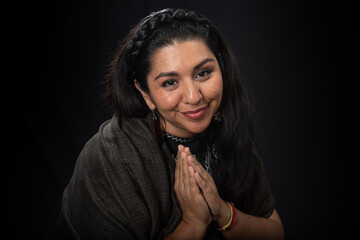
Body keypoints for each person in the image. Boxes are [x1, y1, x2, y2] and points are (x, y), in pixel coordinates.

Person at [55, 8, 284, 240]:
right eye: (170, 82)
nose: (194, 97)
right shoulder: (111, 155)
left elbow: (275, 231)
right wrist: (193, 223)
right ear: (144, 92)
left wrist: (224, 214)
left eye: (203, 73)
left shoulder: (228, 130)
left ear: (221, 67)